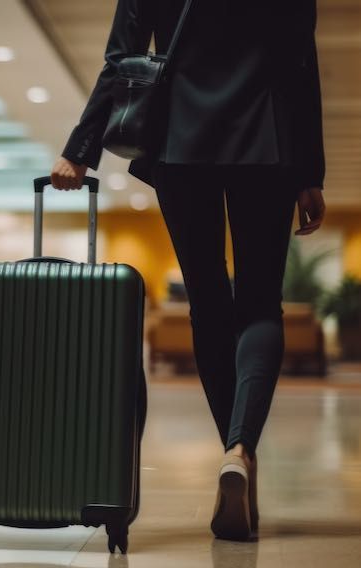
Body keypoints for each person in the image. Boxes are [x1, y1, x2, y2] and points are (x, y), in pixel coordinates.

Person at [50, 0, 326, 542]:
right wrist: (309, 171)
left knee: (207, 299)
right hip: (267, 136)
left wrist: (80, 149)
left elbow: (121, 58)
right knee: (259, 302)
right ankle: (241, 449)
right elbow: (300, 62)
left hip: (180, 135)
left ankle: (235, 451)